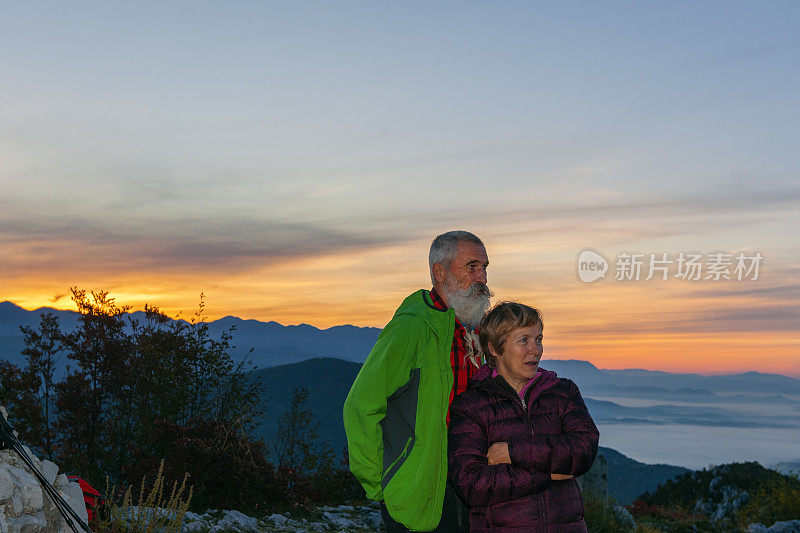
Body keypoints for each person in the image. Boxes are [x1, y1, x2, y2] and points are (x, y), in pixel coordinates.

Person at [343, 230, 492, 532]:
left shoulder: (473, 330)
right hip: (418, 491)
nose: (483, 278)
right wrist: (382, 485)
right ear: (440, 271)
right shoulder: (411, 329)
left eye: (485, 267)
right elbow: (360, 405)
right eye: (472, 266)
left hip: (470, 486)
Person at [448, 302, 599, 532]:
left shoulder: (563, 391)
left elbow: (584, 449)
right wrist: (548, 474)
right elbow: (472, 484)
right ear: (495, 348)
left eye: (538, 339)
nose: (536, 350)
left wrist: (512, 452)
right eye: (524, 340)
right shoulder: (471, 406)